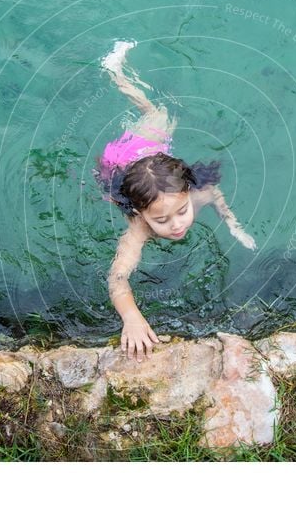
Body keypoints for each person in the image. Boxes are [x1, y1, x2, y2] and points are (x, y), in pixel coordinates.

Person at [94, 40, 256, 363]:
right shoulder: (137, 229)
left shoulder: (191, 194)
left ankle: (117, 71)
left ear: (186, 195)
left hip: (151, 150)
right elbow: (117, 278)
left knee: (157, 112)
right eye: (162, 220)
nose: (178, 224)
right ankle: (111, 72)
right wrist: (132, 317)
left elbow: (213, 194)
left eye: (182, 211)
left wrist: (234, 225)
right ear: (141, 214)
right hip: (119, 163)